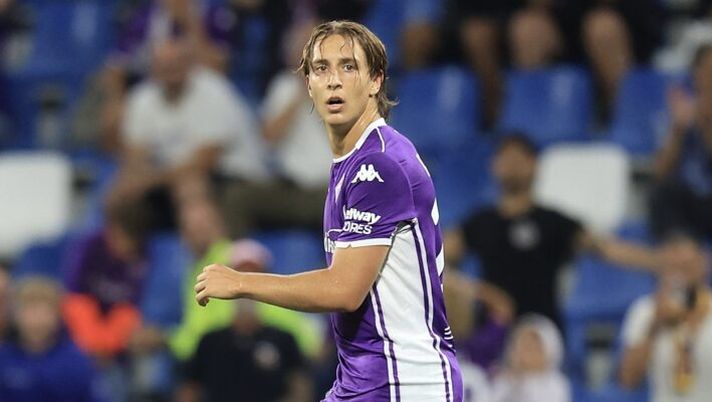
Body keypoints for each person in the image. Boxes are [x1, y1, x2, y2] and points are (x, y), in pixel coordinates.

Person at [195, 20, 463, 401]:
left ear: (375, 81)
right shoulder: (351, 163)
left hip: (407, 382)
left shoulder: (380, 167)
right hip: (363, 380)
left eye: (348, 66)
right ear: (308, 86)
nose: (334, 80)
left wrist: (241, 283)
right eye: (321, 68)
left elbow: (344, 291)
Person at [444, 134, 659, 369]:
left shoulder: (552, 222)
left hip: (542, 339)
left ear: (535, 164)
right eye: (505, 157)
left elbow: (607, 249)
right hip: (495, 341)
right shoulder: (480, 222)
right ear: (493, 165)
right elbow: (433, 257)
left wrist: (660, 261)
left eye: (519, 157)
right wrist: (479, 291)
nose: (512, 163)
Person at [109, 37, 268, 231]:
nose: (171, 71)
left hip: (232, 176)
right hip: (171, 178)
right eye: (164, 65)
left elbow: (204, 162)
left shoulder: (214, 91)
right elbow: (134, 157)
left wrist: (150, 180)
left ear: (190, 64)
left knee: (191, 187)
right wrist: (136, 180)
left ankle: (210, 256)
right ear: (153, 68)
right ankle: (128, 258)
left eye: (176, 63)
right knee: (119, 194)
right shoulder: (143, 99)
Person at [619, 233, 712, 402]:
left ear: (703, 263)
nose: (679, 276)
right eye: (672, 268)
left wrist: (694, 321)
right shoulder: (645, 310)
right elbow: (629, 380)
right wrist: (654, 326)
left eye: (686, 267)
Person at [62, 202, 149, 359]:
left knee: (126, 315)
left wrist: (107, 346)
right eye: (117, 237)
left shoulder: (143, 257)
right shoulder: (89, 247)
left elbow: (133, 308)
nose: (122, 245)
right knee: (78, 307)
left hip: (116, 343)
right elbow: (74, 296)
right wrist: (92, 342)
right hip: (87, 328)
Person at [0, 276, 99, 402]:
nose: (37, 320)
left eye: (45, 312)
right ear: (15, 315)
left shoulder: (77, 361)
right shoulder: (4, 357)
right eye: (31, 311)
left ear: (58, 316)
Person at [650, 43, 712, 240]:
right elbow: (659, 173)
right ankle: (678, 252)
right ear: (696, 74)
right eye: (707, 70)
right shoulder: (676, 111)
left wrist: (705, 126)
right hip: (689, 202)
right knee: (664, 192)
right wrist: (678, 131)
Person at [491, 314, 571, 402]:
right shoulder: (503, 381)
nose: (526, 352)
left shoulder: (556, 384)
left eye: (534, 348)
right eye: (523, 345)